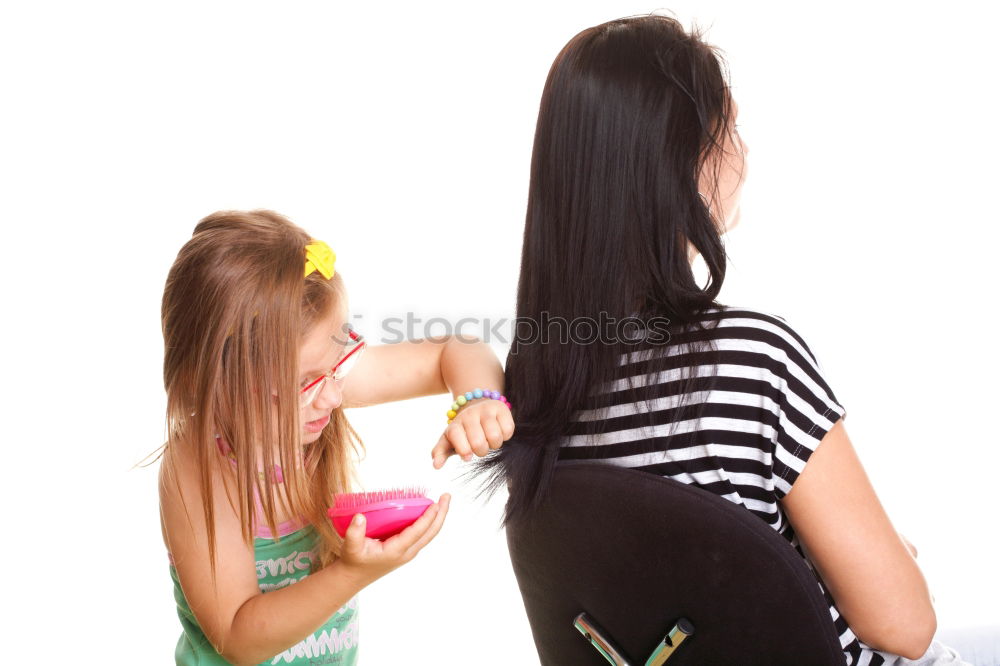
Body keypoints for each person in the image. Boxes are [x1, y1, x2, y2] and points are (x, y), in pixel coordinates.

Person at [476, 14, 970, 666]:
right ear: (679, 162)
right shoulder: (754, 359)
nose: (743, 151)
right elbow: (904, 628)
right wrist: (886, 561)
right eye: (729, 130)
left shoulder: (538, 381)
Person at [158, 209, 514, 665]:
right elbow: (239, 637)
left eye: (340, 363)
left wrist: (477, 402)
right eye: (305, 382)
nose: (331, 397)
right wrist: (352, 572)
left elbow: (455, 348)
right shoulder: (199, 464)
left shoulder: (321, 384)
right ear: (216, 383)